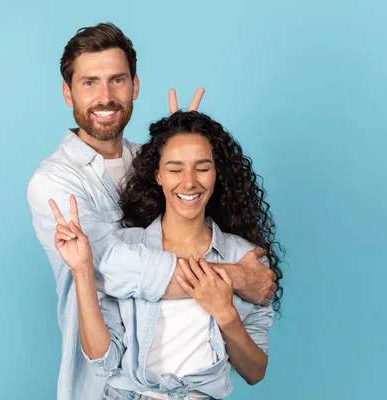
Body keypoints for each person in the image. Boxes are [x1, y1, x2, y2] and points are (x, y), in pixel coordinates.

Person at [27, 23, 279, 400]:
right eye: (89, 83)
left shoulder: (146, 162)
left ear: (135, 86)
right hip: (101, 386)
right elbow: (111, 266)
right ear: (68, 92)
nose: (106, 96)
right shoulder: (53, 182)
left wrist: (183, 141)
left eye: (117, 80)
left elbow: (186, 191)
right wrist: (237, 278)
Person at [49, 111, 283, 399]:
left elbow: (255, 372)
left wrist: (226, 314)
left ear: (217, 173)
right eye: (175, 168)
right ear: (157, 175)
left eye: (202, 167)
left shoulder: (247, 258)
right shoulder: (127, 250)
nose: (189, 182)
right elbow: (104, 360)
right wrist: (83, 269)